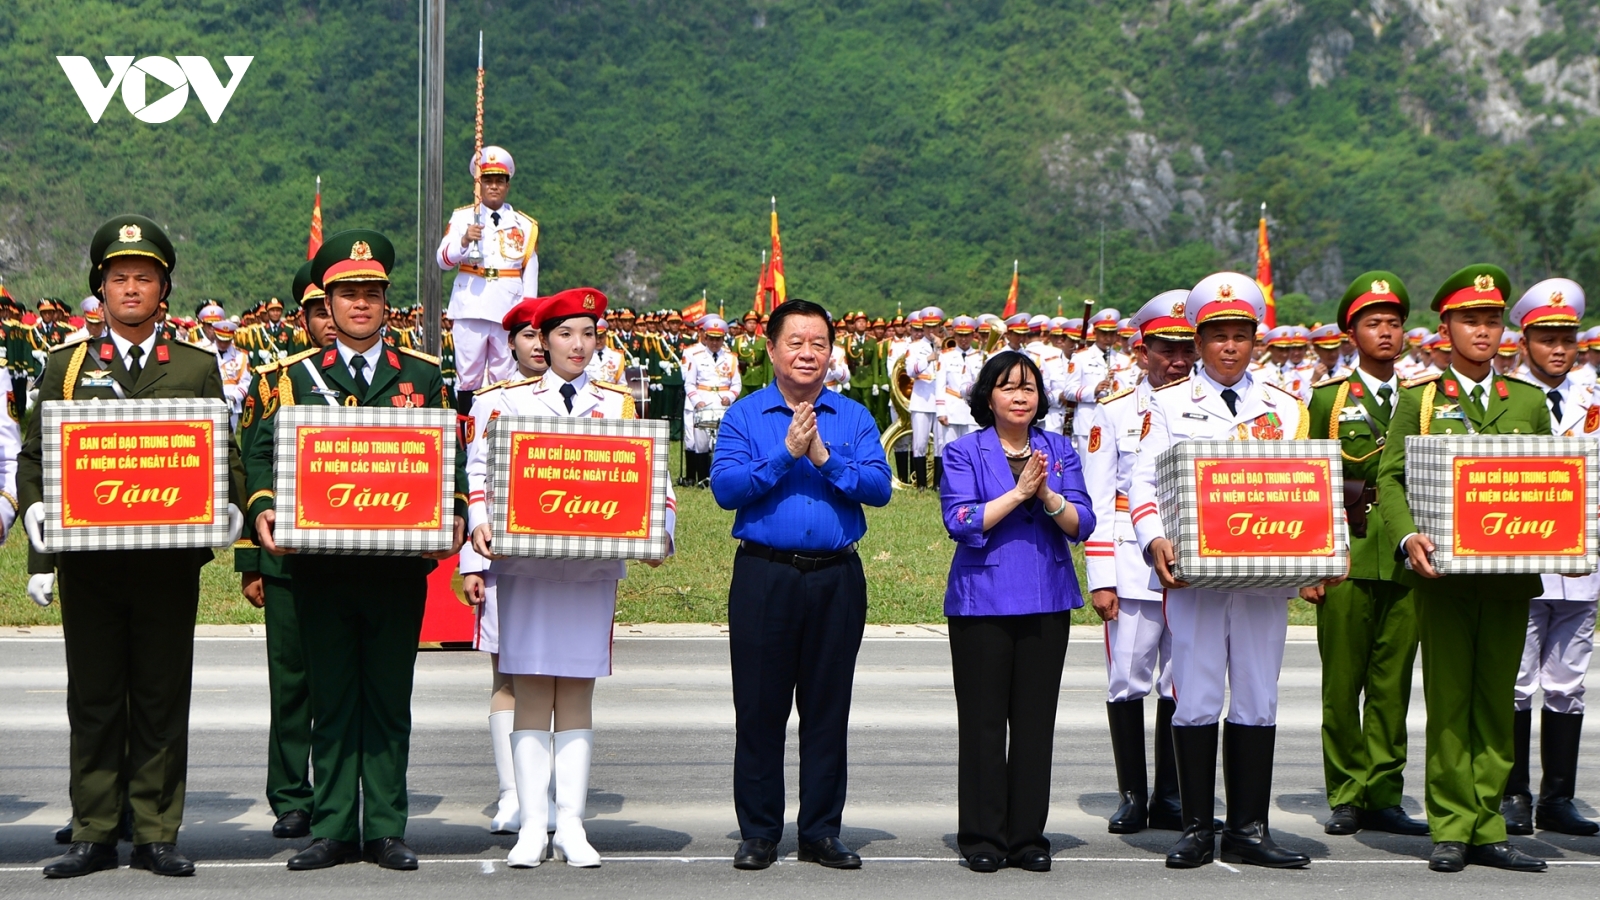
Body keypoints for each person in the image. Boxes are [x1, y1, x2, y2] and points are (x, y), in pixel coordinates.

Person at [24, 215, 242, 879]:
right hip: (89, 565)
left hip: (167, 566)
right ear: (100, 287)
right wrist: (37, 538)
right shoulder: (66, 368)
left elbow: (222, 450)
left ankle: (154, 830)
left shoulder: (198, 366)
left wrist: (230, 502)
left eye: (144, 277)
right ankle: (93, 828)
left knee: (159, 697)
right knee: (92, 698)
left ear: (163, 289)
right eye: (118, 277)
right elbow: (36, 457)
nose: (131, 288)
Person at [249, 230, 468, 872]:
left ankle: (387, 829)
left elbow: (446, 457)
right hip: (318, 568)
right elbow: (260, 453)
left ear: (386, 303)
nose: (361, 305)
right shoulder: (291, 378)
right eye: (348, 294)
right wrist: (263, 508)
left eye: (372, 293)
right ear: (328, 301)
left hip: (395, 568)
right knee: (333, 700)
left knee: (388, 699)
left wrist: (452, 510)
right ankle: (336, 825)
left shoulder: (422, 374)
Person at [463, 289, 675, 868]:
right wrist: (478, 526)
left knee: (577, 690)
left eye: (587, 333)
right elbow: (477, 470)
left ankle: (573, 824)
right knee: (531, 689)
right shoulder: (503, 402)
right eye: (564, 334)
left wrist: (661, 536)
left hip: (589, 571)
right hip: (525, 568)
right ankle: (534, 822)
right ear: (542, 340)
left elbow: (653, 480)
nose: (577, 345)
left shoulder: (616, 404)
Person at [1132, 273, 1312, 870]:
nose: (1230, 347)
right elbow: (1144, 481)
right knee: (1197, 692)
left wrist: (1317, 558)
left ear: (1255, 341)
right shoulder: (1168, 402)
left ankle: (1249, 828)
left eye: (1241, 336)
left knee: (1259, 694)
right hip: (1196, 577)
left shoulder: (1286, 408)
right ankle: (1194, 826)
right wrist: (1153, 537)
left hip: (1265, 578)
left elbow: (1308, 492)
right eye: (1217, 337)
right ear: (1200, 341)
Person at [1375, 264, 1551, 873]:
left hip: (1506, 577)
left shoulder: (1526, 401)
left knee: (1496, 699)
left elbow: (1550, 482)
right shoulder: (1419, 401)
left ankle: (1489, 823)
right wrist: (1404, 538)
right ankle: (1451, 824)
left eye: (1492, 320)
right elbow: (1390, 479)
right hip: (1441, 577)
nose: (1483, 331)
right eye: (1469, 320)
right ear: (1444, 326)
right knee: (1449, 699)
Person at [709, 299, 892, 871]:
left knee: (826, 709)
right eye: (796, 342)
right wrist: (786, 454)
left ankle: (820, 831)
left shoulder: (853, 417)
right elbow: (726, 488)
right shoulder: (745, 415)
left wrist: (824, 457)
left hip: (836, 577)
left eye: (818, 343)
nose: (808, 353)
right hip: (765, 575)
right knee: (759, 708)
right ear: (771, 349)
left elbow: (879, 487)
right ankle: (760, 831)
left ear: (831, 352)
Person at [939, 351, 1092, 873]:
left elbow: (1082, 522)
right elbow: (959, 519)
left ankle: (1027, 836)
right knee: (982, 723)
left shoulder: (1059, 449)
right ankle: (982, 835)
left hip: (1047, 598)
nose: (1020, 396)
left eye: (1029, 387)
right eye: (1007, 387)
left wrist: (1045, 493)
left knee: (1034, 724)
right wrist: (1019, 492)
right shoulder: (963, 451)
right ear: (988, 397)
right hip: (982, 601)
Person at [1302, 273, 1429, 838]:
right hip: (1347, 550)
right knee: (1343, 681)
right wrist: (1312, 561)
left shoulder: (1424, 399)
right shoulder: (1329, 400)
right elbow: (1309, 485)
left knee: (1392, 681)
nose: (1386, 332)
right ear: (1350, 332)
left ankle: (1385, 792)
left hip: (1404, 552)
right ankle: (1347, 792)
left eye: (1394, 322)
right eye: (1373, 323)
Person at [1080, 291, 1197, 834]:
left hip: (1195, 564)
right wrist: (1101, 577)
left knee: (1183, 684)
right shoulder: (1115, 411)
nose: (1176, 359)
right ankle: (1133, 793)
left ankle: (1172, 796)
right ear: (1141, 350)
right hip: (1132, 567)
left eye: (1185, 348)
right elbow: (1100, 502)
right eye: (1164, 348)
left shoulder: (1207, 405)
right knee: (1128, 679)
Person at [235, 261, 337, 843]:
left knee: (340, 682)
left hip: (350, 557)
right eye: (318, 309)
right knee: (292, 681)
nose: (328, 320)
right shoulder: (275, 380)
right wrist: (251, 560)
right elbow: (253, 466)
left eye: (336, 307)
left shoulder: (379, 374)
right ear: (302, 317)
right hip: (288, 558)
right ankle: (291, 797)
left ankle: (335, 790)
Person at [1501, 279, 1600, 837]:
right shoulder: (1508, 399)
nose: (1558, 348)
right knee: (1518, 681)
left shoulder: (1594, 402)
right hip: (1525, 560)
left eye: (1566, 337)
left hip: (1582, 562)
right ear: (1525, 340)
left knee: (1567, 681)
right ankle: (1513, 793)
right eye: (1546, 337)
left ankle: (1558, 797)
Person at [436, 146, 538, 406]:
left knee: (504, 375)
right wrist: (464, 239)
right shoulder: (463, 217)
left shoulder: (523, 225)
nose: (493, 187)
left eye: (499, 181)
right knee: (468, 375)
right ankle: (466, 435)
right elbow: (443, 260)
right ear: (478, 184)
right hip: (471, 305)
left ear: (507, 185)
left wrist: (528, 315)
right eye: (487, 181)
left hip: (508, 309)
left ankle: (496, 428)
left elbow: (529, 271)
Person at [681, 316, 740, 487]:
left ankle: (720, 477)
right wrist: (697, 401)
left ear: (723, 340)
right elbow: (690, 383)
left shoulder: (731, 358)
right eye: (712, 339)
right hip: (703, 401)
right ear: (705, 338)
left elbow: (736, 383)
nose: (715, 343)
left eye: (718, 339)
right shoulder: (696, 357)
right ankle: (702, 478)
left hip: (722, 403)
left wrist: (729, 396)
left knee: (722, 441)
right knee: (701, 443)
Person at [933, 316, 985, 489]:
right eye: (960, 335)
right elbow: (939, 384)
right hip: (952, 406)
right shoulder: (946, 357)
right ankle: (950, 483)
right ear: (954, 335)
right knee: (950, 447)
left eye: (967, 335)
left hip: (971, 409)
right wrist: (941, 410)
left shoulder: (980, 356)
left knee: (974, 447)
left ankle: (972, 483)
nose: (964, 339)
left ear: (973, 336)